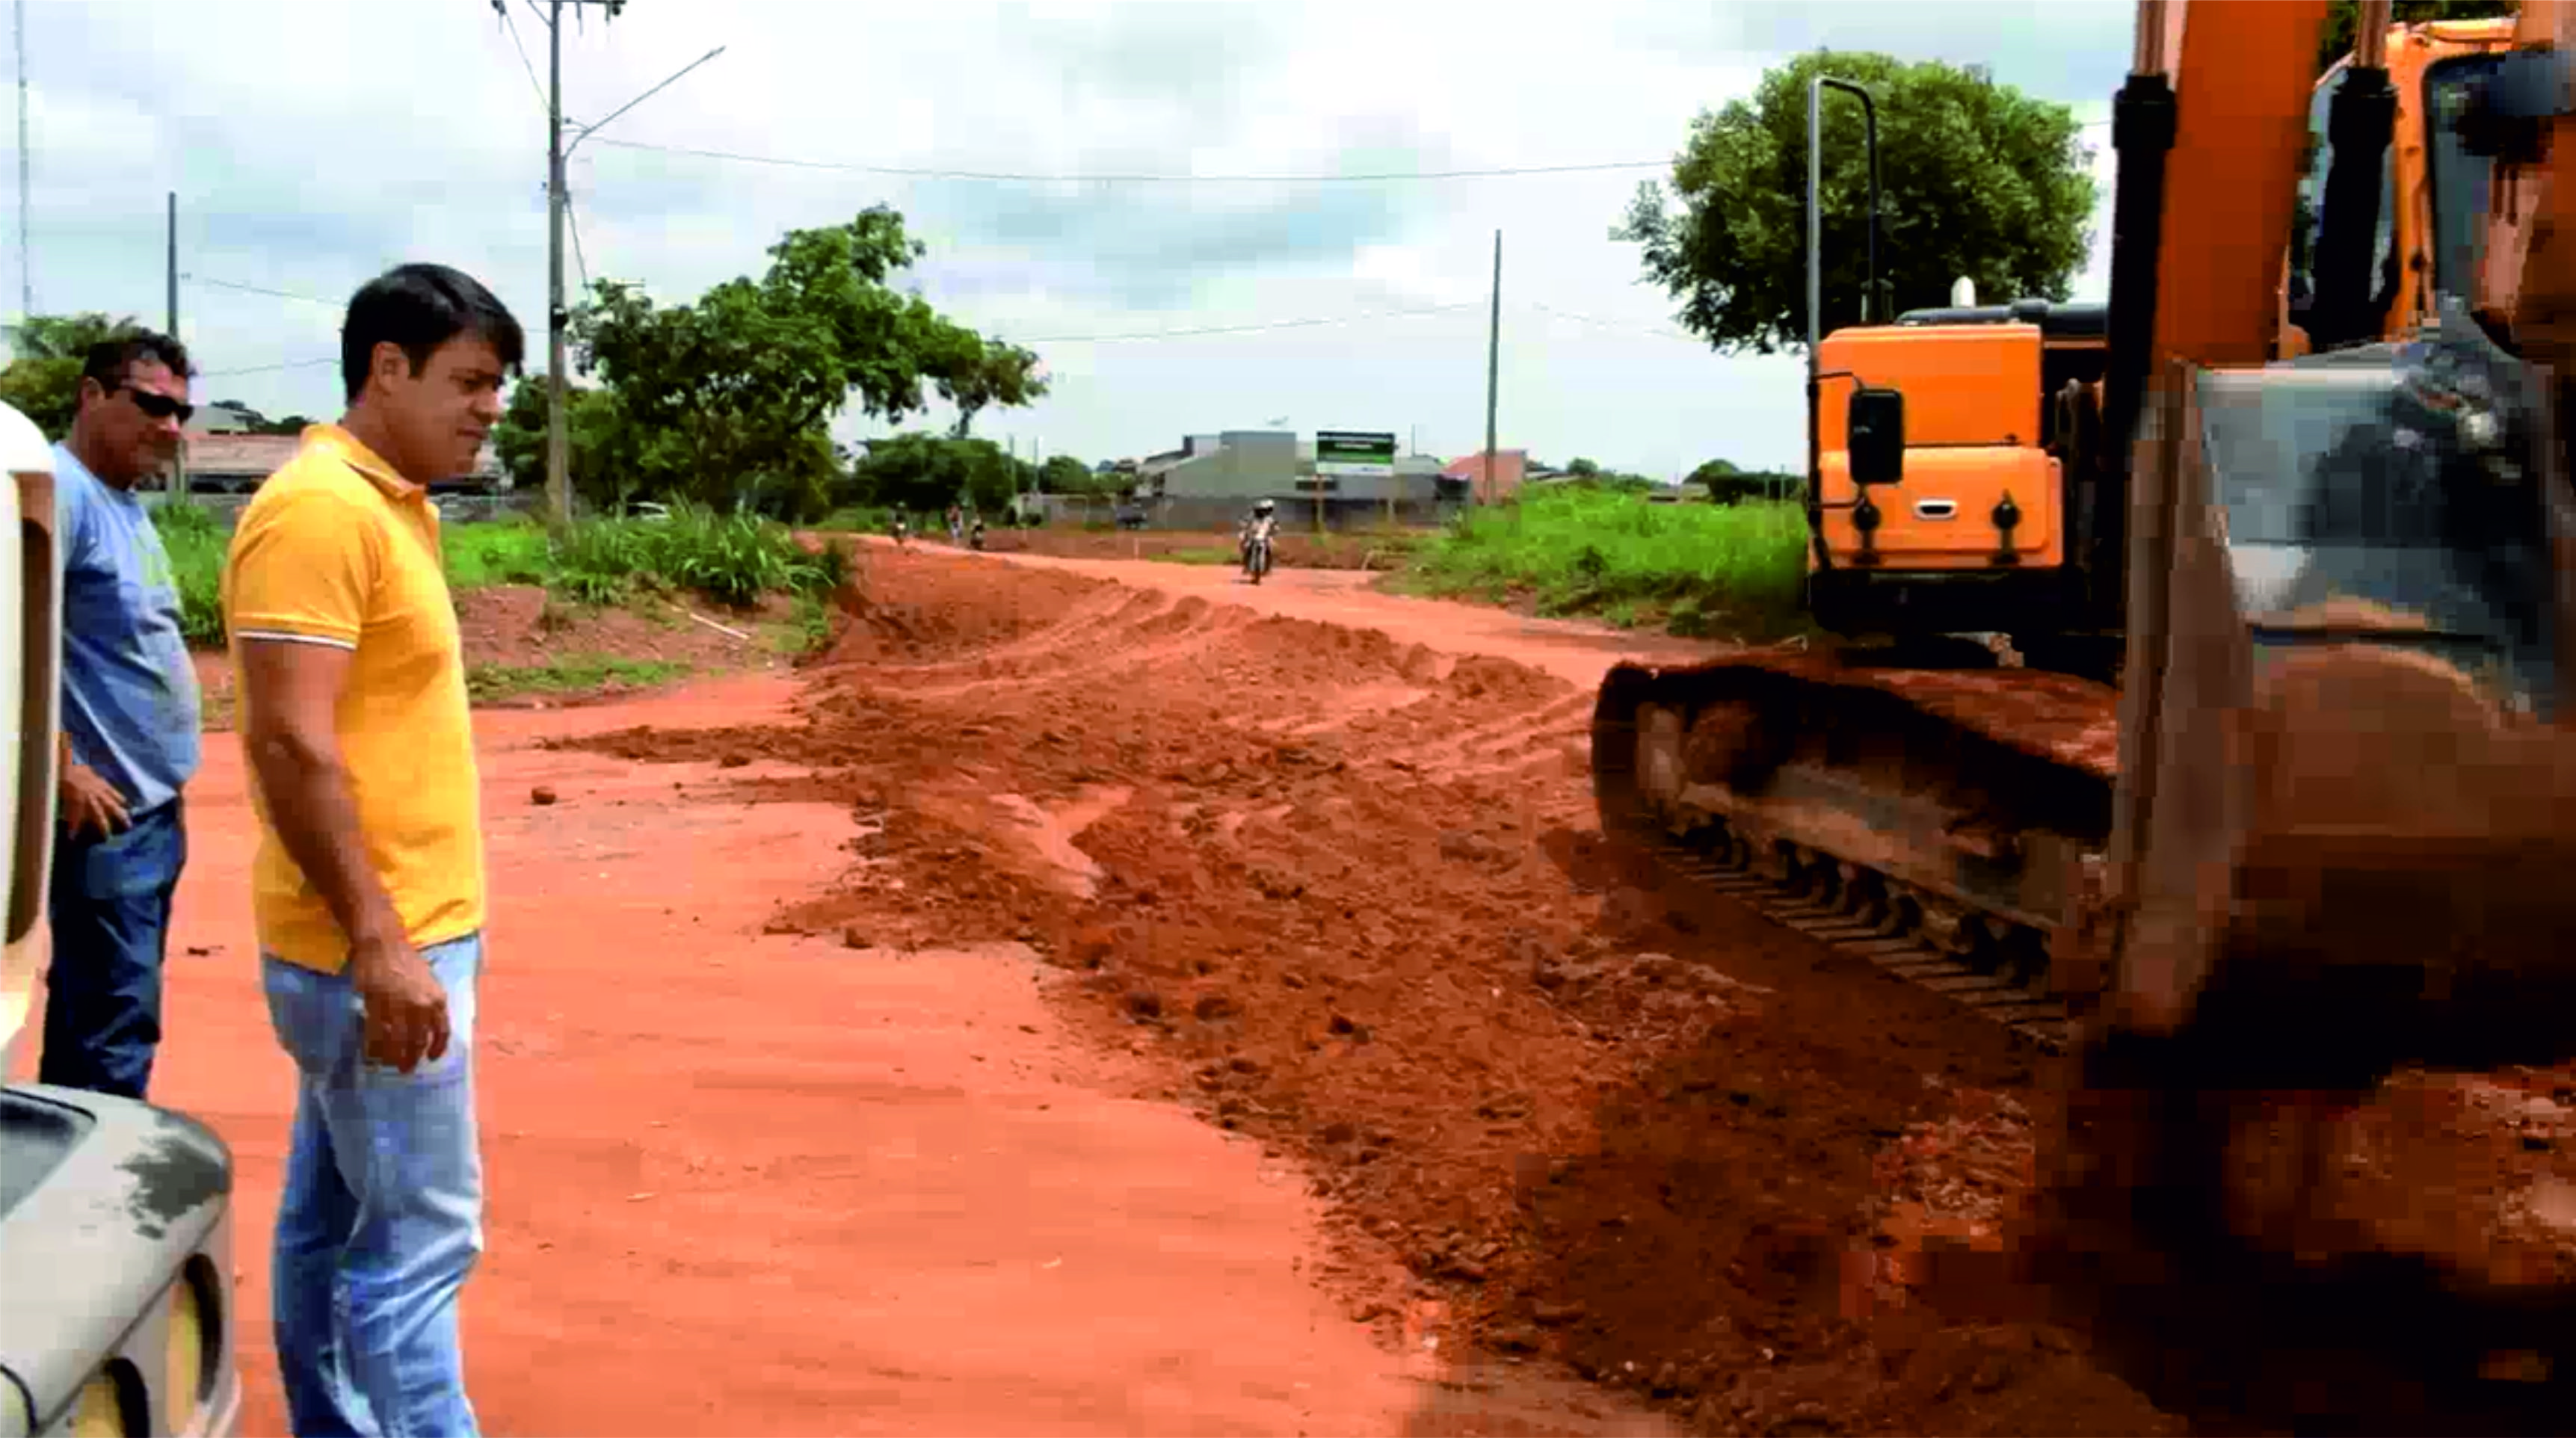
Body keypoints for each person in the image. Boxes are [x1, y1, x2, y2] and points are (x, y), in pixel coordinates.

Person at [222, 262, 523, 1438]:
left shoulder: (389, 500)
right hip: (375, 953)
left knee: (333, 1221)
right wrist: (382, 943)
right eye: (470, 381)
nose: (489, 407)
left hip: (382, 942)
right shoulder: (317, 511)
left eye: (497, 386)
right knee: (418, 1245)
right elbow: (290, 745)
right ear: (385, 368)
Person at [39, 330, 202, 1101]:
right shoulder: (61, 492)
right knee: (115, 1024)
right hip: (105, 816)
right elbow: (13, 640)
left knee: (91, 1016)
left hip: (152, 807)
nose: (169, 426)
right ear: (92, 395)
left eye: (180, 411)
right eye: (151, 405)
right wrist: (60, 764)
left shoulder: (122, 501)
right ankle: (98, 1206)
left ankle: (52, 1175)